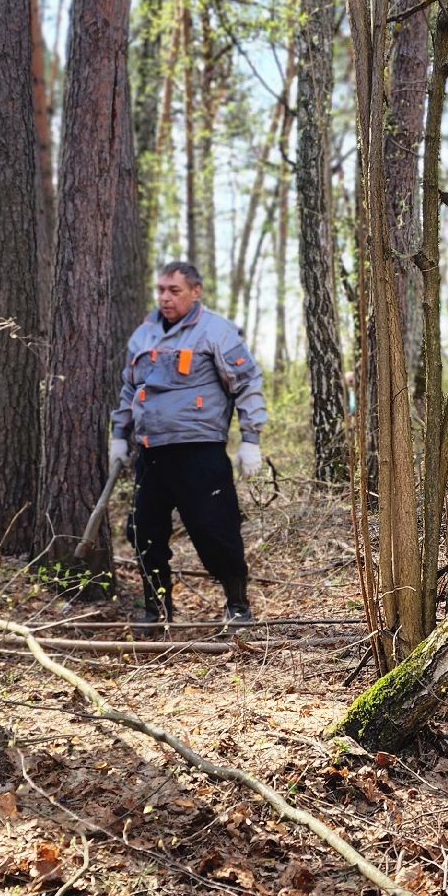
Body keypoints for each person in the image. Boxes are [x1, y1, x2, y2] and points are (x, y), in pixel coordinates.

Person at [109, 262, 267, 635]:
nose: (165, 297)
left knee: (215, 530)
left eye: (174, 290)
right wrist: (119, 434)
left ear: (195, 291)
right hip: (151, 453)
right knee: (144, 531)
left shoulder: (216, 331)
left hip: (200, 453)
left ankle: (237, 604)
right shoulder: (144, 334)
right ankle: (156, 608)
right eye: (161, 289)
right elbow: (130, 388)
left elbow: (246, 382)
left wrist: (250, 439)